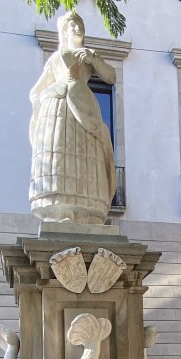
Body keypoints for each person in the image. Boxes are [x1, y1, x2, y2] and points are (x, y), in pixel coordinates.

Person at [29, 11, 116, 225]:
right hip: (58, 108)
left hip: (84, 105)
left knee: (87, 157)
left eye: (80, 24)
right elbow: (35, 91)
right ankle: (61, 211)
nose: (78, 28)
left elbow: (111, 76)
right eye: (73, 25)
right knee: (61, 157)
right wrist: (43, 103)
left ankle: (88, 212)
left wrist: (93, 59)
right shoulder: (55, 58)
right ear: (64, 31)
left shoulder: (88, 56)